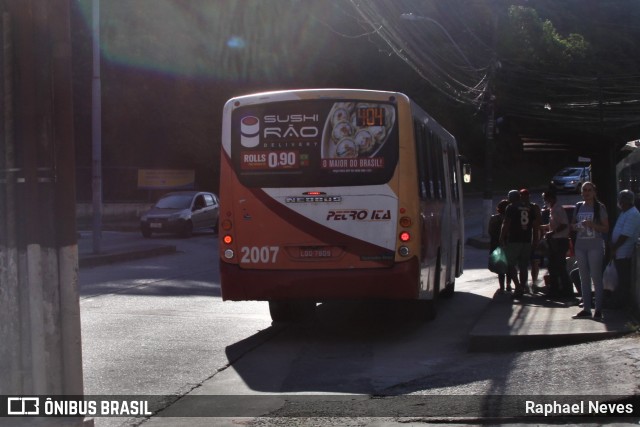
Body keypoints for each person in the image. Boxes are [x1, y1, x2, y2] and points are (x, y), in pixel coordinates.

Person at [571, 182, 609, 320]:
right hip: (580, 245)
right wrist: (577, 226)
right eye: (584, 190)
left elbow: (605, 228)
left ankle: (598, 309)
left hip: (595, 245)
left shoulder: (600, 207)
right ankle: (586, 308)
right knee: (583, 277)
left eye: (589, 190)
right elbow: (573, 225)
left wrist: (592, 225)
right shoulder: (579, 206)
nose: (586, 192)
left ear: (594, 192)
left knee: (596, 276)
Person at [500, 189, 540, 298]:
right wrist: (535, 240)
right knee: (523, 266)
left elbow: (506, 223)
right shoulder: (529, 208)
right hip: (527, 240)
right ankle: (522, 286)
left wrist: (502, 237)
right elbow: (535, 226)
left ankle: (517, 286)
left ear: (512, 198)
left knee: (510, 264)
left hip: (514, 240)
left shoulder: (511, 207)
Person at [609, 189, 640, 308]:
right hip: (618, 252)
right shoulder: (624, 212)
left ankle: (622, 304)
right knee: (619, 279)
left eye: (620, 200)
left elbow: (625, 235)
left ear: (624, 201)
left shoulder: (633, 214)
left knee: (623, 280)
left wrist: (614, 247)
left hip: (624, 252)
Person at [542, 190, 572, 298]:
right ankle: (554, 291)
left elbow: (564, 224)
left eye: (546, 198)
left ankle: (568, 292)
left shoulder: (559, 209)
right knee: (552, 267)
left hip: (560, 241)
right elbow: (554, 224)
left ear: (552, 198)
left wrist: (552, 232)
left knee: (560, 267)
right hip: (554, 241)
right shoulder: (552, 209)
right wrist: (545, 228)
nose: (545, 201)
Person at [520, 189, 543, 287]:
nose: (524, 198)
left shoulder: (534, 207)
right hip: (524, 239)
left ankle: (533, 282)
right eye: (522, 196)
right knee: (525, 263)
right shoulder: (520, 207)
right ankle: (525, 284)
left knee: (533, 262)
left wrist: (537, 239)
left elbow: (538, 223)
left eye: (525, 196)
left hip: (532, 238)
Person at [488, 199, 512, 292]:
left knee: (500, 266)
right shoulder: (510, 219)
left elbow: (490, 232)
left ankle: (502, 287)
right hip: (509, 243)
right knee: (510, 265)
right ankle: (508, 284)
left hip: (496, 244)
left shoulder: (494, 218)